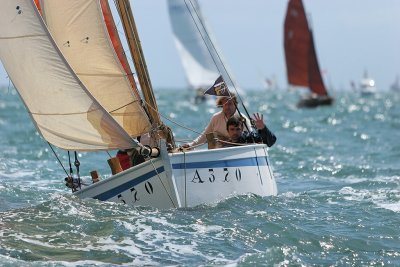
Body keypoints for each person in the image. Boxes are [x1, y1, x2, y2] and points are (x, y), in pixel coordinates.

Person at [181, 93, 252, 148]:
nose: (227, 107)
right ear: (221, 105)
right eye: (225, 104)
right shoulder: (216, 118)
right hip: (219, 151)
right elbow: (205, 135)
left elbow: (250, 137)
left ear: (235, 104)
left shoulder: (242, 118)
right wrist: (191, 145)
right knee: (212, 136)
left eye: (230, 104)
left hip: (238, 148)